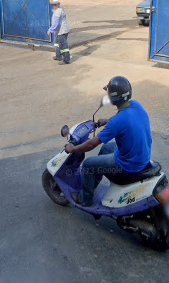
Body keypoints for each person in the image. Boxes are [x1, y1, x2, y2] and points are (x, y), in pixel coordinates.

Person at [64, 76, 154, 206]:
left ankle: (85, 199)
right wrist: (107, 121)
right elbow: (125, 119)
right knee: (106, 149)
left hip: (129, 164)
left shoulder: (116, 122)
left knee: (88, 165)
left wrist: (72, 149)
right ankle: (92, 184)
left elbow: (92, 143)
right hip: (141, 155)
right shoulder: (135, 105)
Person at [47, 0, 70, 65]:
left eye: (55, 4)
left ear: (58, 4)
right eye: (53, 4)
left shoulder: (58, 11)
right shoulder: (58, 10)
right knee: (57, 43)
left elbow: (56, 23)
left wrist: (50, 30)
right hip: (59, 31)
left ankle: (66, 60)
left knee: (63, 46)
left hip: (62, 31)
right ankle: (58, 56)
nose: (54, 5)